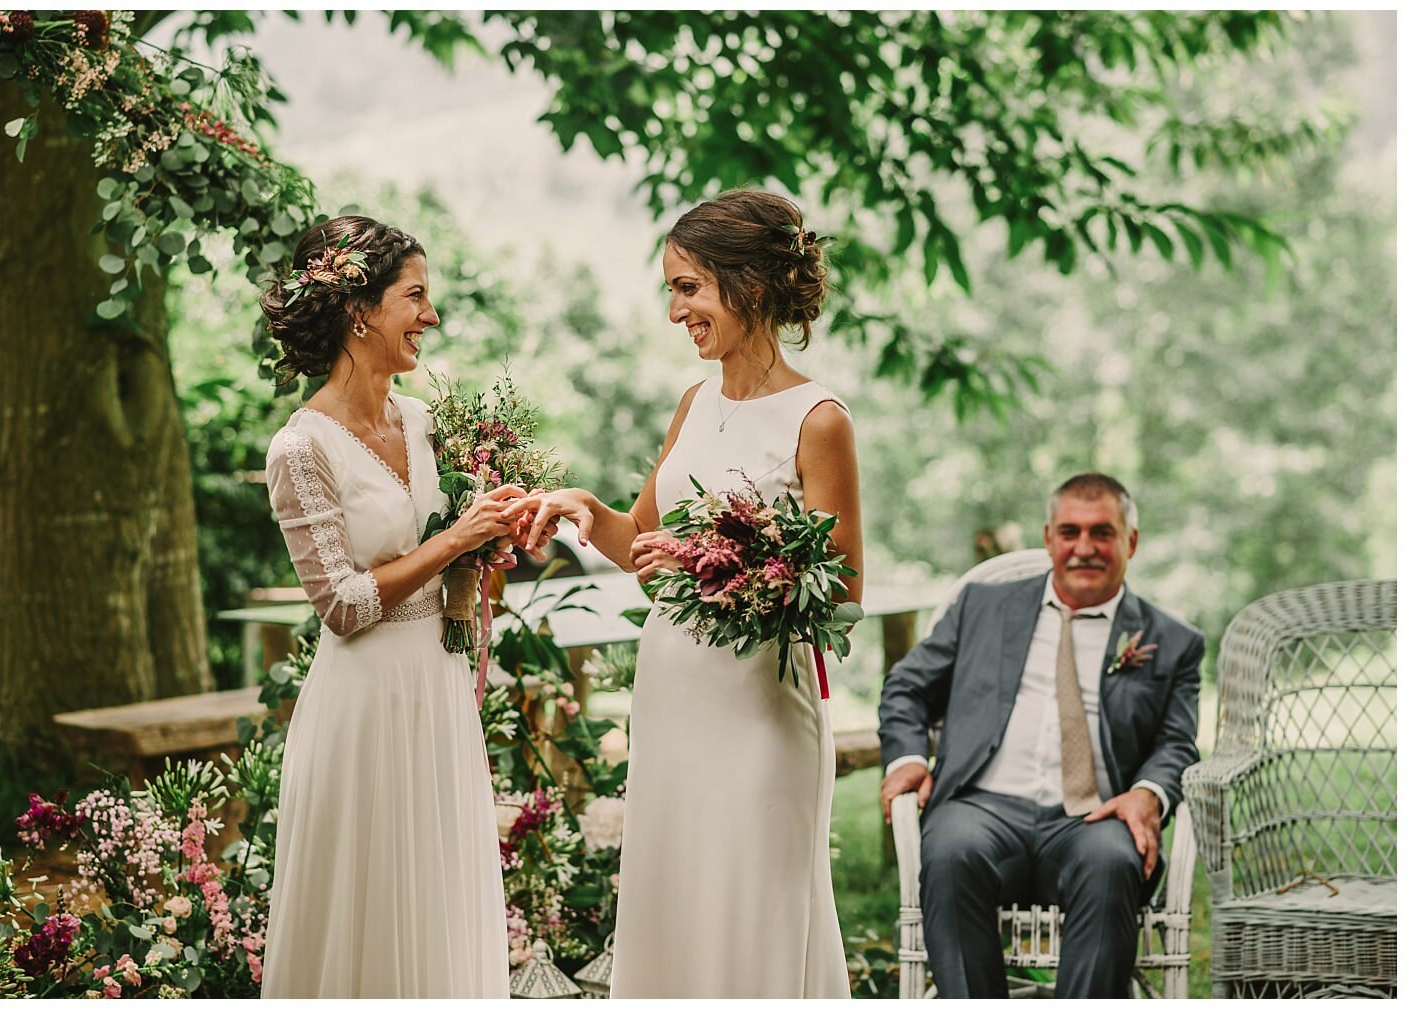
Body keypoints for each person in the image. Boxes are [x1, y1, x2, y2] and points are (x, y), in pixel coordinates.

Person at [520, 190, 860, 997]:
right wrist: (582, 509)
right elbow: (643, 546)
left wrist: (720, 559)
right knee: (674, 896)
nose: (676, 311)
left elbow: (842, 589)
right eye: (672, 289)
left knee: (751, 901)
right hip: (672, 689)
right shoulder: (693, 403)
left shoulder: (818, 418)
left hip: (761, 704)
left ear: (747, 285)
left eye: (689, 288)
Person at [256, 215, 544, 997]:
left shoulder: (422, 423)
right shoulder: (300, 448)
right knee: (370, 903)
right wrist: (454, 540)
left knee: (437, 895)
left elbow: (437, 569)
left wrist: (488, 546)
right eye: (415, 296)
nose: (432, 315)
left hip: (436, 689)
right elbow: (344, 604)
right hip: (364, 700)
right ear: (360, 312)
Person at [877, 473, 1203, 998]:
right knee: (950, 853)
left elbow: (1177, 742)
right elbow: (907, 687)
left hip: (1092, 817)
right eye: (1070, 532)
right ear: (1049, 537)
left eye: (1102, 533)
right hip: (981, 807)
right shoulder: (981, 605)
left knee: (1114, 862)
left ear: (1130, 542)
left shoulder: (1172, 641)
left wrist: (1148, 793)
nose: (1084, 548)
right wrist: (909, 759)